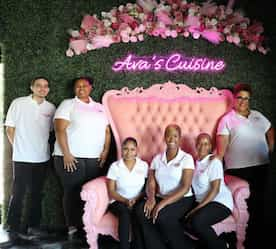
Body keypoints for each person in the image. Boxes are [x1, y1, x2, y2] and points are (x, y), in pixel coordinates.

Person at [216, 83, 275, 249]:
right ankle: (247, 241)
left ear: (250, 100)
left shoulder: (257, 115)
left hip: (261, 164)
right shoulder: (226, 120)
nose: (243, 101)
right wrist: (218, 170)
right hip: (239, 169)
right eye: (239, 97)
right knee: (250, 203)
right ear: (234, 99)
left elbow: (270, 130)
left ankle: (259, 238)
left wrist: (269, 148)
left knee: (261, 202)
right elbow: (221, 149)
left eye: (246, 98)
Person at [53, 77, 111, 238]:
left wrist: (105, 151)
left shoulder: (100, 107)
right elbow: (60, 130)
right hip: (71, 158)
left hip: (94, 159)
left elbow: (107, 131)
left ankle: (89, 225)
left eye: (84, 85)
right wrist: (66, 154)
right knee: (72, 191)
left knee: (92, 193)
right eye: (77, 86)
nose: (81, 88)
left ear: (91, 87)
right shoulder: (67, 104)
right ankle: (72, 226)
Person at [4, 77, 56, 243]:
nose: (42, 89)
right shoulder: (18, 103)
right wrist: (19, 146)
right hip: (22, 157)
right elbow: (9, 128)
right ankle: (12, 227)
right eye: (39, 86)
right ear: (32, 87)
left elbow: (51, 132)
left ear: (48, 89)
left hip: (42, 157)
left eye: (45, 86)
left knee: (36, 194)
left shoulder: (51, 107)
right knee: (18, 193)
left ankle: (32, 226)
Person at [135, 124, 195, 249]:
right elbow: (151, 182)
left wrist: (161, 204)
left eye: (175, 136)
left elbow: (185, 187)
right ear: (164, 137)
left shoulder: (186, 158)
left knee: (162, 216)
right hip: (160, 196)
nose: (172, 139)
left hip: (182, 198)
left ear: (180, 138)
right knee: (141, 211)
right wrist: (151, 199)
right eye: (168, 135)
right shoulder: (157, 159)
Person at [185, 133, 233, 249]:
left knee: (197, 222)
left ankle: (223, 246)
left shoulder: (214, 162)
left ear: (210, 146)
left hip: (220, 202)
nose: (202, 146)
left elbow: (215, 190)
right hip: (202, 201)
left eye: (206, 143)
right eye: (200, 143)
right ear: (196, 145)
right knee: (179, 219)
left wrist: (195, 209)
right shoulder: (193, 164)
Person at [107, 137, 148, 249]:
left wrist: (136, 199)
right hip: (119, 201)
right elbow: (111, 191)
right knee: (124, 214)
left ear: (136, 150)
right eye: (125, 149)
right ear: (121, 149)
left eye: (132, 149)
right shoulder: (115, 167)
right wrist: (125, 201)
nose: (128, 153)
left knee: (138, 215)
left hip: (137, 200)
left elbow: (146, 188)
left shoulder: (143, 166)